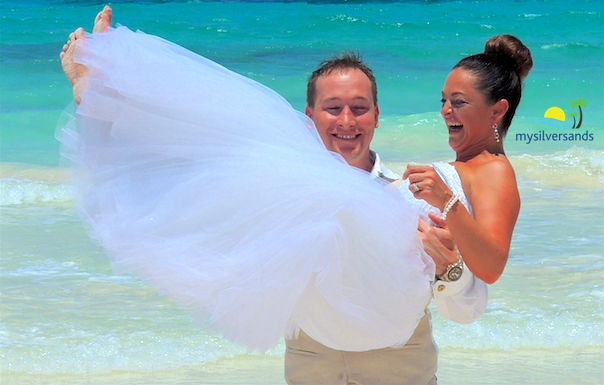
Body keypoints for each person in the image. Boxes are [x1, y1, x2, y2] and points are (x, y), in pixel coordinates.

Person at [59, 7, 487, 385]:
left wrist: (449, 270)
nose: (346, 120)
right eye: (332, 107)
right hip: (311, 372)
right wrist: (102, 88)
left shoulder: (416, 197)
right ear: (308, 117)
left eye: (359, 107)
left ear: (376, 116)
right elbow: (182, 156)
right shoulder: (275, 193)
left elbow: (468, 313)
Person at [404, 35, 533, 285]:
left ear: (497, 110)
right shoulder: (469, 166)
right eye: (444, 100)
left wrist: (444, 198)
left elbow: (491, 267)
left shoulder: (494, 169)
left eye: (458, 102)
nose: (445, 110)